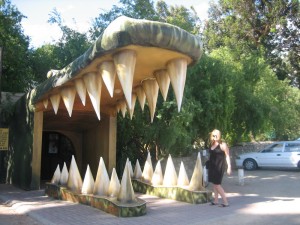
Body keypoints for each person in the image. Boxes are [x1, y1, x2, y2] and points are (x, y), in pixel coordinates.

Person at [207, 129, 231, 207]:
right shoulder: (212, 144)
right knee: (214, 184)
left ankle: (225, 202)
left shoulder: (222, 144)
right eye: (213, 135)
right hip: (212, 166)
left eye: (216, 135)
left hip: (219, 166)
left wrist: (229, 167)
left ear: (219, 135)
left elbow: (227, 156)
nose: (215, 136)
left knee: (217, 184)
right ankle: (216, 201)